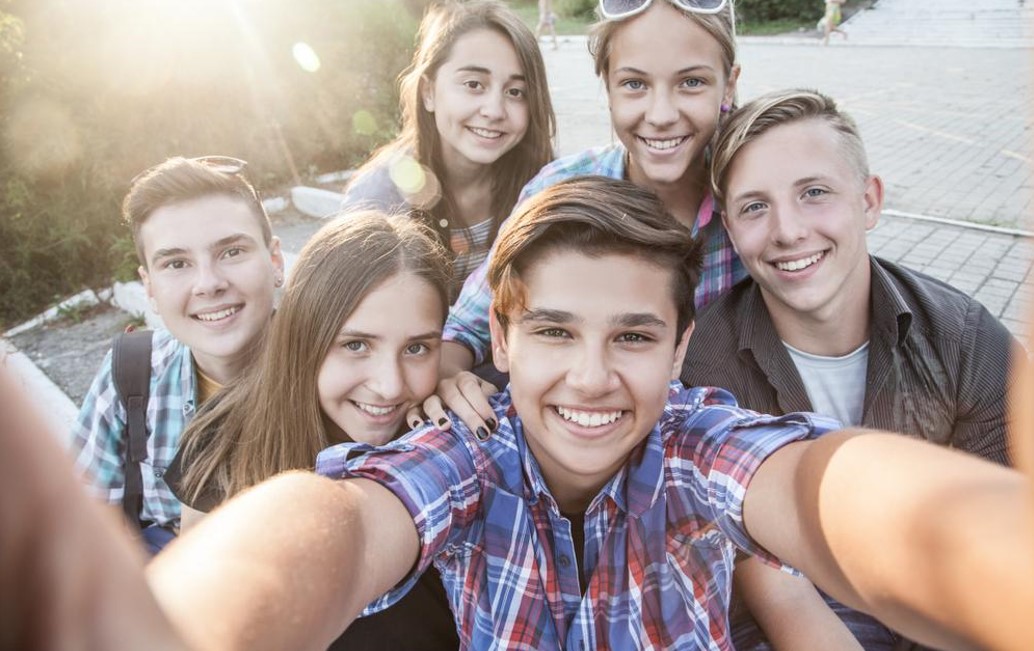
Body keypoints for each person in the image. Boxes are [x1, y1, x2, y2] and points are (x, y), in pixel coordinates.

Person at [0, 177, 1033, 650]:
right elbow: (332, 523)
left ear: (679, 350)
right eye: (552, 333)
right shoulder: (458, 455)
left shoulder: (695, 441)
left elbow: (821, 490)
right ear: (497, 339)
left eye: (631, 337)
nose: (589, 378)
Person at [681, 88, 1024, 650]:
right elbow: (759, 582)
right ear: (730, 227)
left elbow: (1008, 527)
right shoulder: (702, 364)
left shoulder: (962, 338)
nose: (788, 230)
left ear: (869, 201)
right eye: (754, 207)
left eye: (814, 193)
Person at [429, 0, 748, 430]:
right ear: (607, 85)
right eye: (634, 84)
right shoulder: (561, 186)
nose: (661, 115)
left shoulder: (753, 196)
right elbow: (466, 326)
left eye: (691, 82)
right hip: (577, 433)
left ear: (728, 86)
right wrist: (449, 378)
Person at [164, 213, 459, 650]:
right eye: (355, 345)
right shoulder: (225, 439)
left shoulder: (452, 441)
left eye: (417, 348)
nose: (390, 385)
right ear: (305, 336)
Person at [69, 156, 284, 554]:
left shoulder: (340, 373)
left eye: (232, 252)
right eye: (177, 263)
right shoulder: (130, 375)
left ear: (275, 261)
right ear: (148, 286)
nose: (208, 284)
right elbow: (80, 541)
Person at [341, 0, 556, 299]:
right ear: (428, 92)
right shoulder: (377, 201)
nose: (494, 110)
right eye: (473, 84)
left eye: (515, 92)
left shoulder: (546, 188)